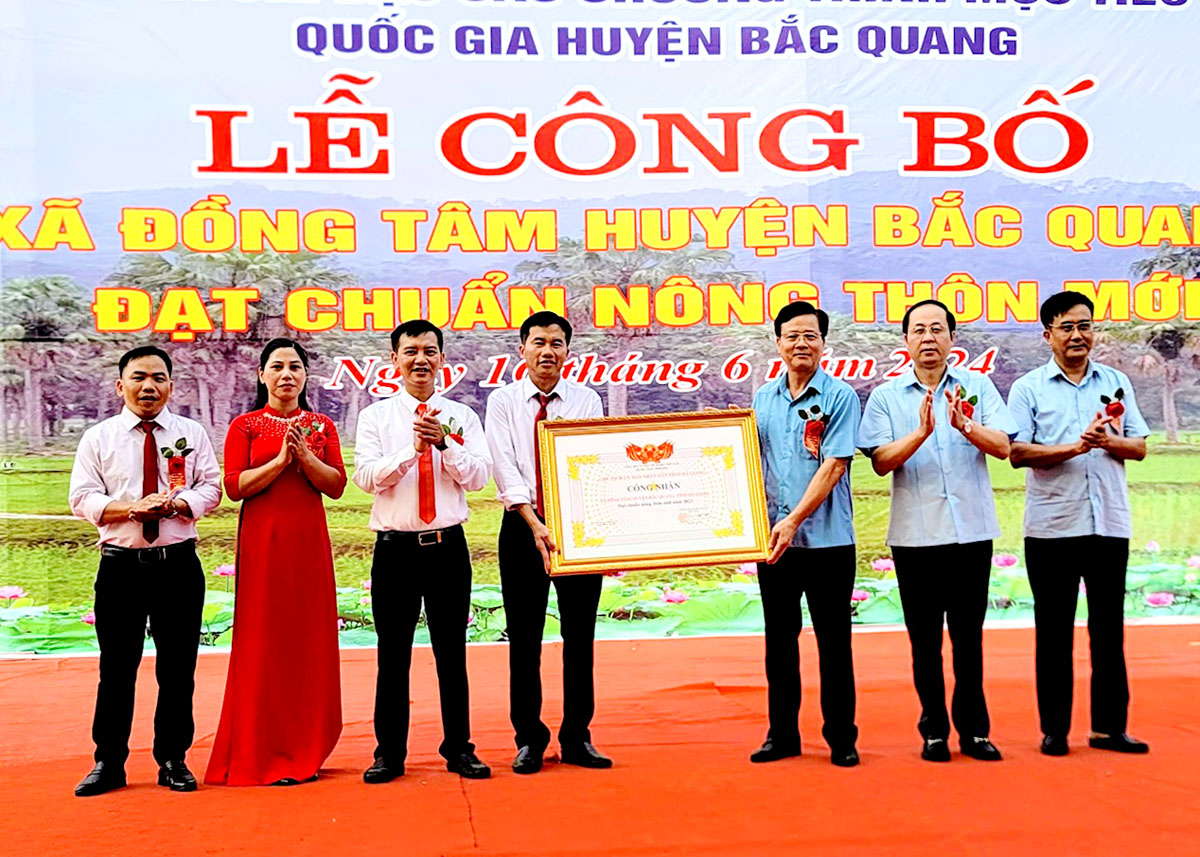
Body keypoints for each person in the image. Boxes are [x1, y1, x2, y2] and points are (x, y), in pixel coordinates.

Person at [857, 300, 1015, 763]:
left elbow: (1004, 446)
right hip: (915, 538)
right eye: (919, 330)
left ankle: (976, 732)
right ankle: (932, 731)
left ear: (952, 339)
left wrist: (964, 425)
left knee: (969, 638)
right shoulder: (887, 397)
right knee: (924, 641)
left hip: (971, 533)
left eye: (937, 329)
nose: (929, 338)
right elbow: (882, 461)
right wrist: (922, 432)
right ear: (905, 341)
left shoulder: (978, 386)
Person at [68, 346, 222, 796]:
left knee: (178, 668)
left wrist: (180, 503)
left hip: (177, 566)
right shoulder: (98, 438)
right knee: (117, 668)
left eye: (158, 378)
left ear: (171, 386)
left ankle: (173, 759)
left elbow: (211, 487)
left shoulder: (191, 433)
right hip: (120, 569)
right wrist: (128, 509)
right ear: (121, 385)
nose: (148, 386)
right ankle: (109, 762)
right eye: (138, 377)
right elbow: (82, 498)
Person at [1008, 292, 1151, 757]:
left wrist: (1106, 440)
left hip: (1108, 522)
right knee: (1054, 631)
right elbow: (1018, 452)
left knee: (1109, 630)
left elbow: (1139, 447)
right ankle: (1055, 730)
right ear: (1047, 335)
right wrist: (1074, 448)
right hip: (1052, 526)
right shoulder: (1029, 387)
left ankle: (1109, 729)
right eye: (1066, 327)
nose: (1077, 335)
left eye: (1084, 326)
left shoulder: (1116, 383)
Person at [353, 320, 493, 782]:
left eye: (429, 351)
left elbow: (478, 477)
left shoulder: (463, 416)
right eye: (410, 351)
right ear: (393, 360)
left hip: (448, 548)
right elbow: (367, 478)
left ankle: (459, 748)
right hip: (395, 551)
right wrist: (412, 451)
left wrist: (444, 444)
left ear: (442, 360)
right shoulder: (376, 417)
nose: (420, 360)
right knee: (393, 654)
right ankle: (389, 753)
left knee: (451, 652)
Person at [205, 339, 347, 786]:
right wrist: (282, 460)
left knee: (307, 640)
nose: (287, 375)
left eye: (295, 367)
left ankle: (305, 745)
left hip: (308, 543)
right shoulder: (245, 425)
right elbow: (235, 486)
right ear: (261, 375)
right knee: (264, 639)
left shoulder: (321, 424)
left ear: (306, 376)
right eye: (277, 367)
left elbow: (337, 485)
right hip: (264, 542)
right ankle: (261, 747)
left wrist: (305, 456)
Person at [484, 311, 612, 774]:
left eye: (557, 343)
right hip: (521, 526)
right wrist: (534, 522)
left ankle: (578, 736)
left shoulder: (586, 400)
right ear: (521, 349)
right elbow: (504, 466)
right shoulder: (502, 402)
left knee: (580, 635)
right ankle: (529, 739)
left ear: (568, 352)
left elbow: (591, 461)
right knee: (524, 636)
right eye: (538, 342)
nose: (547, 351)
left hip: (577, 527)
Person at [750, 301, 861, 767]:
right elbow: (747, 461)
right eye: (792, 335)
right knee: (780, 642)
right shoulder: (763, 399)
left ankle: (841, 738)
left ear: (823, 343)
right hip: (775, 546)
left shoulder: (839, 397)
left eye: (810, 336)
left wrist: (793, 519)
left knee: (834, 643)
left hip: (829, 542)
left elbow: (834, 464)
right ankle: (782, 735)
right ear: (778, 342)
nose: (801, 344)